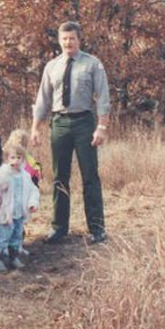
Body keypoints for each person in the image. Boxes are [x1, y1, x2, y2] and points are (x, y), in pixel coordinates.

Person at [30, 20, 111, 244]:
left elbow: (103, 97)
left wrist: (101, 127)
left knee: (90, 175)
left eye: (72, 38)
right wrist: (36, 127)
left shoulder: (92, 64)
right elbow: (42, 99)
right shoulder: (52, 66)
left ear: (79, 39)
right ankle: (58, 227)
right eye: (64, 39)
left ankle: (96, 228)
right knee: (60, 176)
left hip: (84, 122)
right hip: (59, 124)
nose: (68, 42)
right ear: (59, 40)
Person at [0, 144, 41, 271]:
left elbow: (33, 191)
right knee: (1, 237)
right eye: (12, 158)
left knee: (16, 236)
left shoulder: (25, 176)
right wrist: (6, 172)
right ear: (7, 159)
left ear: (23, 159)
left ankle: (13, 257)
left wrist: (32, 203)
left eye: (19, 158)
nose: (16, 161)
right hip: (6, 213)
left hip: (19, 213)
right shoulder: (3, 173)